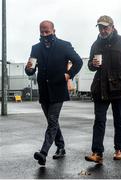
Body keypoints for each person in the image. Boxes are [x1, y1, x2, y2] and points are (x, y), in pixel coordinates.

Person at [25, 20, 83, 166]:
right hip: (44, 91)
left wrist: (68, 75)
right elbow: (30, 69)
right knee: (53, 122)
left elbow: (78, 62)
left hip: (58, 89)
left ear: (53, 31)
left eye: (47, 32)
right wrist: (29, 69)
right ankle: (61, 146)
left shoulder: (64, 46)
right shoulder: (36, 48)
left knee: (52, 121)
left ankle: (43, 152)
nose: (44, 35)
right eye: (42, 32)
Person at [85, 15, 121, 164]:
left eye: (105, 27)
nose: (102, 30)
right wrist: (92, 65)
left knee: (119, 121)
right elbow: (90, 65)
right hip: (100, 88)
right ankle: (97, 153)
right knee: (99, 121)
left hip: (117, 88)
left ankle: (119, 149)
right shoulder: (95, 44)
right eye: (100, 27)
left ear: (112, 27)